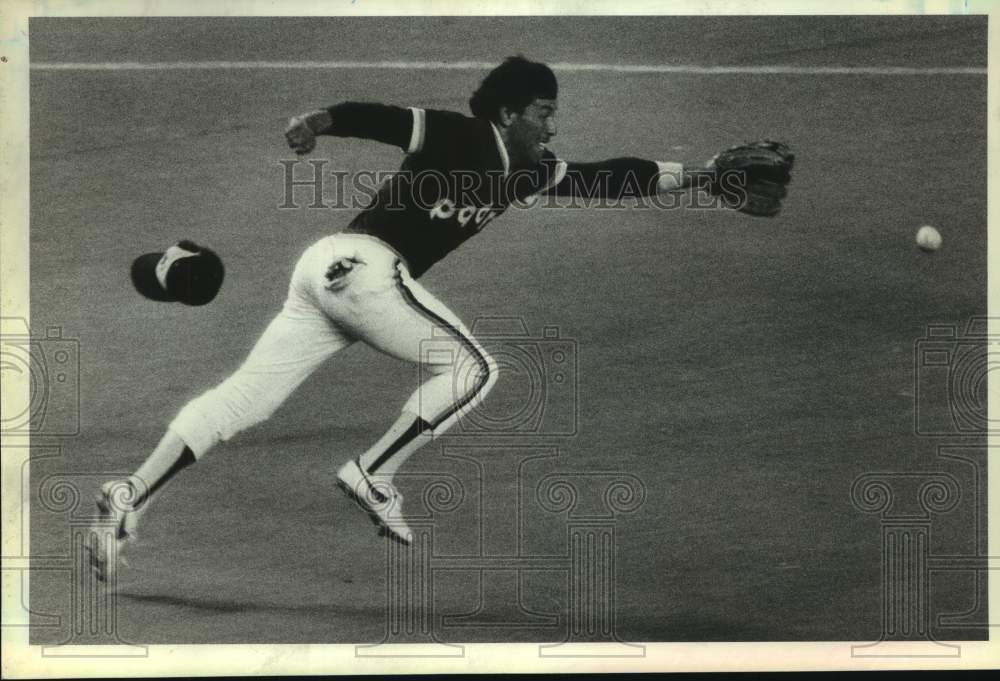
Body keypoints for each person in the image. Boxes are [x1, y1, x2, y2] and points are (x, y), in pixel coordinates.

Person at [88, 56, 792, 581]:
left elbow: (610, 176)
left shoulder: (524, 169)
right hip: (363, 266)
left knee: (245, 398)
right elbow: (386, 119)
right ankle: (372, 473)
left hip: (326, 277)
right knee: (473, 368)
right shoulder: (462, 135)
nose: (554, 123)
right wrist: (319, 121)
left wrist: (702, 174)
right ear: (510, 113)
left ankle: (128, 493)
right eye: (545, 111)